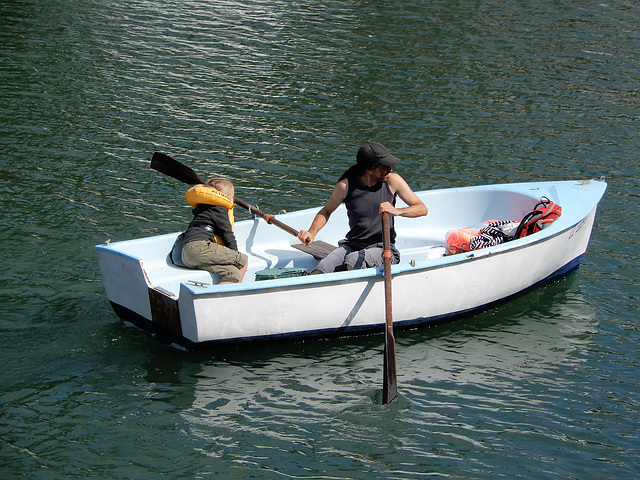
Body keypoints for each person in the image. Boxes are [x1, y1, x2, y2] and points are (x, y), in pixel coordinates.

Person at [297, 141, 428, 274]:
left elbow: (422, 209)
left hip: (384, 249)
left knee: (353, 261)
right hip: (352, 245)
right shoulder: (345, 186)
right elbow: (326, 211)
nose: (390, 169)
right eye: (386, 166)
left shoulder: (393, 181)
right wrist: (311, 232)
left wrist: (397, 211)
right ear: (370, 169)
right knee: (322, 267)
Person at [181, 178, 248, 284]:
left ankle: (218, 296)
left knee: (232, 272)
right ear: (226, 197)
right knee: (243, 260)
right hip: (200, 248)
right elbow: (227, 234)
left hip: (186, 255)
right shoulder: (219, 208)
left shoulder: (202, 208)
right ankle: (234, 293)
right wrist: (234, 254)